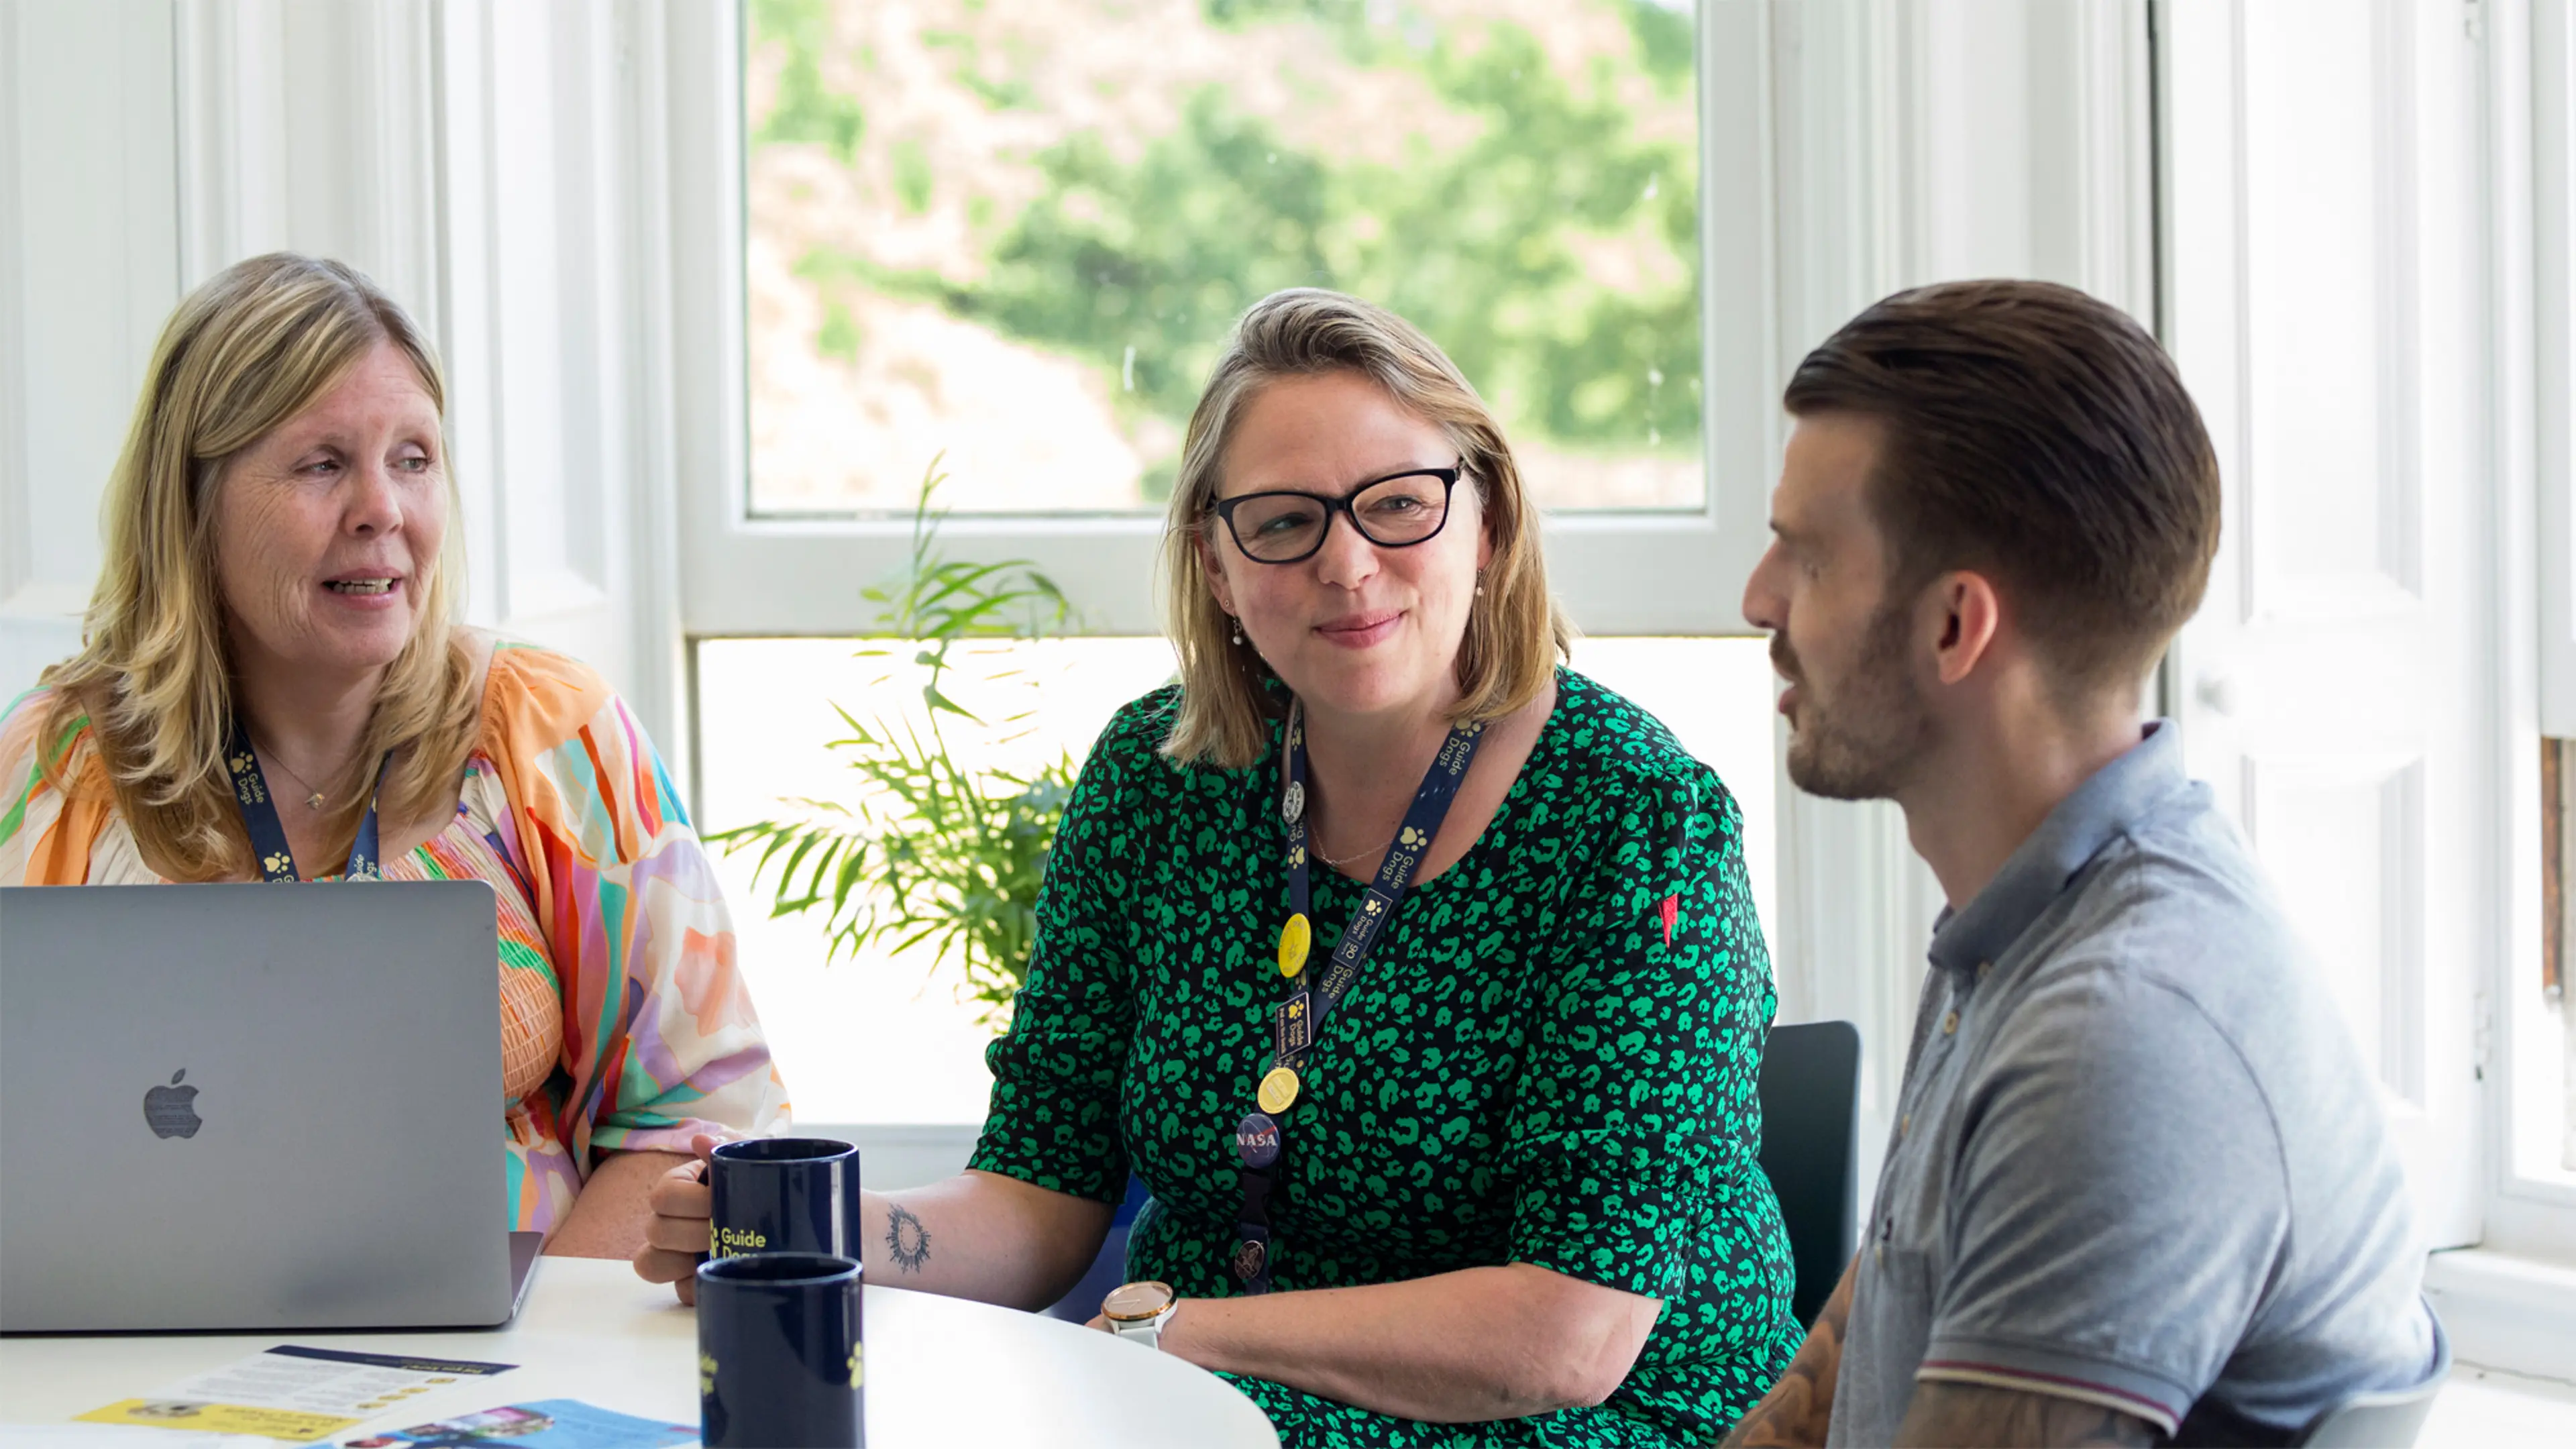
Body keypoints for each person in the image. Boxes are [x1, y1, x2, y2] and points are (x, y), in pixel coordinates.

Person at [641, 288, 1803, 1444]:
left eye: (1400, 505)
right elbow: (1039, 1197)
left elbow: (1568, 1336)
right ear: (1215, 560)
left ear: (1487, 523)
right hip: (1201, 1395)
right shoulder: (1155, 781)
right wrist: (816, 1231)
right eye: (1286, 521)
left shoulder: (1634, 819)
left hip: (1583, 1420)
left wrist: (1176, 1335)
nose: (1349, 565)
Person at [1725, 280, 2442, 1447]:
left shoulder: (2120, 1028)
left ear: (1957, 626)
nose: (1759, 599)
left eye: (1804, 558)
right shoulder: (2019, 924)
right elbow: (1859, 1349)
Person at [0, 252, 788, 1254]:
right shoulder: (58, 764)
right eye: (323, 464)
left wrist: (532, 1360)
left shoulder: (548, 729)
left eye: (412, 459)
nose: (384, 511)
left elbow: (700, 1119)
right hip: (137, 1376)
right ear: (192, 503)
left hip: (506, 1384)